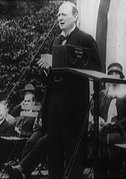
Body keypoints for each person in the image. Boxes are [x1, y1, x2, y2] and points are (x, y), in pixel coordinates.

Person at [37, 2, 101, 178]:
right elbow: (53, 76)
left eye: (64, 14)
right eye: (58, 15)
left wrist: (57, 62)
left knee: (73, 151)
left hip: (74, 106)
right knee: (54, 149)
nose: (59, 18)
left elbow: (96, 68)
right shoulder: (55, 40)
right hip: (54, 103)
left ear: (75, 16)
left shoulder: (86, 40)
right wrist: (47, 69)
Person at [88, 63, 126, 177]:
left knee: (110, 141)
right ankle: (98, 172)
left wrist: (114, 125)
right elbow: (95, 111)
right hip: (102, 128)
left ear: (121, 76)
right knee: (95, 138)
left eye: (116, 73)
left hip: (119, 131)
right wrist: (98, 120)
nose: (113, 76)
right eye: (111, 73)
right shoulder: (103, 94)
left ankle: (113, 172)